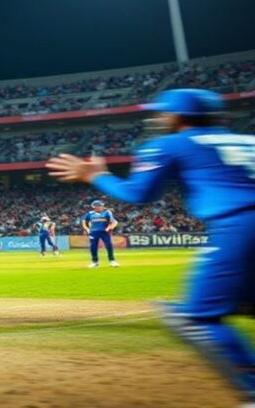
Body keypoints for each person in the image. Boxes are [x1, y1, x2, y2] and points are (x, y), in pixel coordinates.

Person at [46, 88, 255, 404]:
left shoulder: (170, 143)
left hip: (241, 226)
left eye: (163, 112)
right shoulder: (247, 139)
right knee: (245, 304)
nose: (159, 117)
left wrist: (95, 175)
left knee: (193, 318)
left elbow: (138, 193)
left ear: (178, 115)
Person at [81, 200, 119, 268]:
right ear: (94, 207)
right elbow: (84, 222)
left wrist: (109, 228)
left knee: (109, 245)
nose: (100, 207)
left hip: (104, 232)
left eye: (101, 206)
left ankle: (112, 261)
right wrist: (87, 229)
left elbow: (113, 222)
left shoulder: (107, 212)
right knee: (93, 247)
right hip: (93, 232)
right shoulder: (90, 213)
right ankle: (95, 262)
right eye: (98, 206)